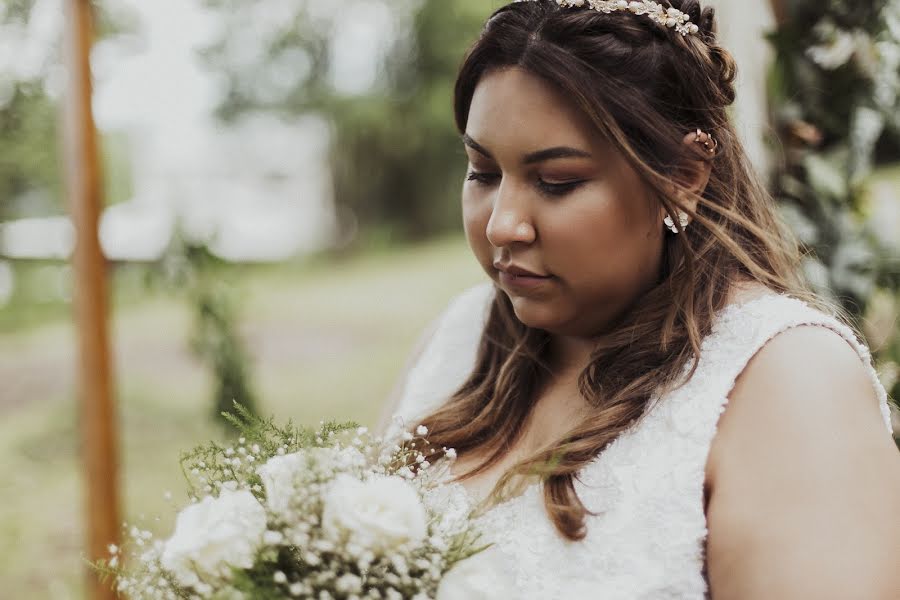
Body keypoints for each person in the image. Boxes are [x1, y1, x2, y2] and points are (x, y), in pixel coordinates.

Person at [378, 1, 900, 598]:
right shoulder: (459, 336)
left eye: (557, 182)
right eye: (483, 172)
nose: (502, 226)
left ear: (683, 174)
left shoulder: (787, 380)